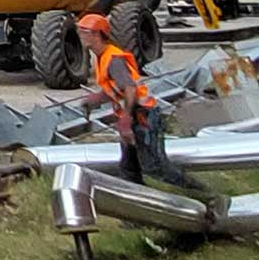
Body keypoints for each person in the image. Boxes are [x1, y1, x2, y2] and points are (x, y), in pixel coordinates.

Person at [80, 11, 196, 196]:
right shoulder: (102, 57)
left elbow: (130, 89)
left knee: (155, 168)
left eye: (84, 32)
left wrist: (125, 118)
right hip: (136, 117)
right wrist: (96, 99)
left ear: (96, 34)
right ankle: (137, 212)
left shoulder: (113, 59)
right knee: (129, 169)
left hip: (144, 117)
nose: (81, 36)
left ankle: (202, 195)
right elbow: (115, 88)